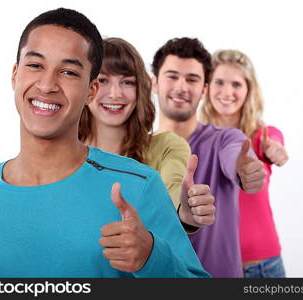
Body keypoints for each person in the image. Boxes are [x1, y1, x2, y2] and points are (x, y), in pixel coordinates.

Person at [0, 8, 209, 278]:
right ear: (15, 75)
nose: (47, 85)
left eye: (68, 72)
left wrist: (152, 257)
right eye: (35, 65)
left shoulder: (140, 186)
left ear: (90, 90)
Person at [151, 37, 266, 277]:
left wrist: (245, 170)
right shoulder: (138, 149)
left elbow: (235, 156)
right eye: (172, 76)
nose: (181, 87)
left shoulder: (224, 140)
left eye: (192, 79)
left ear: (204, 89)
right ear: (154, 83)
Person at [78, 38, 215, 231]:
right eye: (103, 80)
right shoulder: (62, 152)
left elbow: (173, 189)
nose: (115, 94)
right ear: (87, 86)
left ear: (140, 88)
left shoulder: (167, 147)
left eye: (127, 82)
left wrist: (185, 211)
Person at [200, 49, 289, 277]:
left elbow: (276, 144)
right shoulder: (196, 141)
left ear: (248, 90)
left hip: (263, 267)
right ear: (207, 86)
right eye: (219, 82)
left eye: (236, 84)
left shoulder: (264, 137)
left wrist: (275, 151)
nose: (227, 92)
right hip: (212, 267)